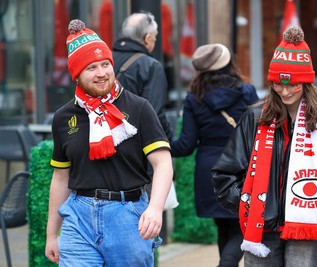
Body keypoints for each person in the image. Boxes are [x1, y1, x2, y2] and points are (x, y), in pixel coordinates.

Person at [212, 26, 317, 267]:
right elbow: (224, 174)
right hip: (260, 231)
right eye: (278, 84)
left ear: (306, 83)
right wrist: (248, 204)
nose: (285, 91)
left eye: (293, 85)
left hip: (306, 233)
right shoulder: (254, 120)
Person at [45, 19, 173, 267]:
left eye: (105, 64)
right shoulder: (64, 117)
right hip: (78, 217)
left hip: (128, 215)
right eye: (91, 67)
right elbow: (61, 177)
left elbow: (163, 163)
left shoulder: (139, 107)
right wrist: (52, 234)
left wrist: (155, 208)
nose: (102, 73)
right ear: (77, 75)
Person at [171, 43, 259, 267]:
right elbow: (260, 133)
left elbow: (185, 145)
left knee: (223, 225)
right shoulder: (247, 92)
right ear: (229, 64)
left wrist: (159, 143)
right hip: (242, 165)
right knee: (244, 226)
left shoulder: (194, 98)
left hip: (209, 169)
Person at [112, 11, 173, 141]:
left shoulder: (104, 61)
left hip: (103, 137)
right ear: (147, 38)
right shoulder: (151, 66)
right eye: (154, 38)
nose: (154, 42)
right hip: (135, 144)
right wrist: (169, 140)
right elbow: (154, 114)